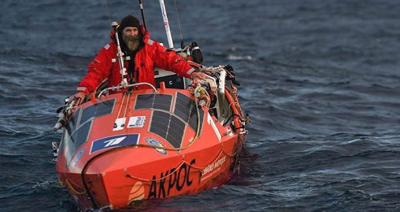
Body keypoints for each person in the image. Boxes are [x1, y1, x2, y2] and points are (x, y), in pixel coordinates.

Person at [72, 15, 206, 105]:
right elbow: (96, 72)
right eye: (128, 31)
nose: (132, 34)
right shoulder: (110, 51)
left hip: (146, 99)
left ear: (139, 31)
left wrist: (191, 73)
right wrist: (83, 91)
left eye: (135, 30)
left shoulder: (149, 47)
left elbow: (171, 60)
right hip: (116, 102)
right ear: (121, 33)